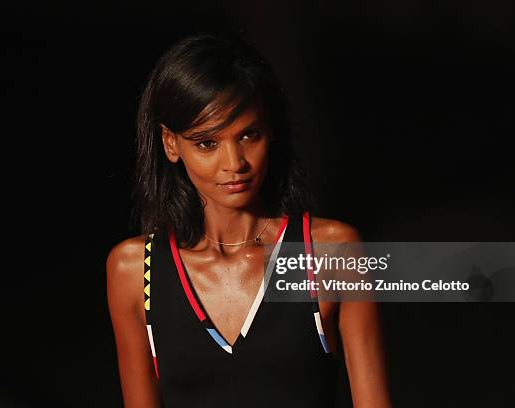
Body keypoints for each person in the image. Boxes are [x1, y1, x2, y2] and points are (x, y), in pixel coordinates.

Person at [106, 32, 391, 407]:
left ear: (269, 131)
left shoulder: (331, 253)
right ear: (171, 144)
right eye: (207, 143)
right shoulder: (133, 270)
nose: (234, 163)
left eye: (248, 135)